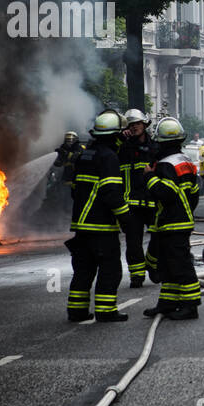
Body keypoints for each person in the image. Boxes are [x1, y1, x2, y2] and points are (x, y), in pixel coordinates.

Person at [65, 112, 129, 323]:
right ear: (114, 135)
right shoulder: (109, 157)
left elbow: (75, 190)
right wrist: (126, 219)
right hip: (101, 226)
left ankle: (77, 310)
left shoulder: (85, 155)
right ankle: (106, 310)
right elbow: (111, 193)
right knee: (110, 269)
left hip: (81, 226)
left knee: (83, 269)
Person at [142, 117, 202, 320]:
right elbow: (193, 193)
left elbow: (166, 193)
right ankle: (167, 303)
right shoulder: (184, 161)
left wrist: (150, 177)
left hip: (172, 221)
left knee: (181, 264)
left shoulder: (165, 165)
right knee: (168, 265)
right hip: (180, 220)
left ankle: (190, 305)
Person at [118, 108, 155, 288]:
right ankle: (137, 275)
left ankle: (153, 264)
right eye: (131, 125)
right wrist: (120, 139)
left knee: (159, 237)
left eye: (137, 124)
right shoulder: (123, 148)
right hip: (131, 204)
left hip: (152, 203)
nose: (134, 128)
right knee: (133, 243)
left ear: (145, 125)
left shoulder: (155, 147)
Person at [51, 131, 83, 216]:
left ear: (76, 140)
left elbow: (76, 158)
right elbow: (58, 164)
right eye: (67, 139)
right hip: (65, 179)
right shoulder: (63, 148)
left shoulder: (80, 147)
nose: (69, 141)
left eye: (71, 139)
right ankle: (62, 217)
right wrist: (56, 158)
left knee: (72, 201)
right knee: (63, 200)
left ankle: (70, 216)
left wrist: (65, 153)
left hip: (76, 179)